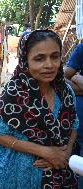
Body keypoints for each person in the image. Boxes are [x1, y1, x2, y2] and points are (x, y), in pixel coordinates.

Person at [0, 30, 79, 188]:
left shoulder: (65, 92)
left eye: (54, 56)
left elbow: (74, 125)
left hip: (58, 172)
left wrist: (64, 155)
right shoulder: (13, 93)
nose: (49, 65)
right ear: (26, 60)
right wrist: (46, 152)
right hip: (19, 173)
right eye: (39, 58)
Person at [64, 43, 83, 189]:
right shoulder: (82, 48)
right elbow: (61, 78)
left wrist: (78, 78)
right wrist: (77, 81)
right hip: (76, 125)